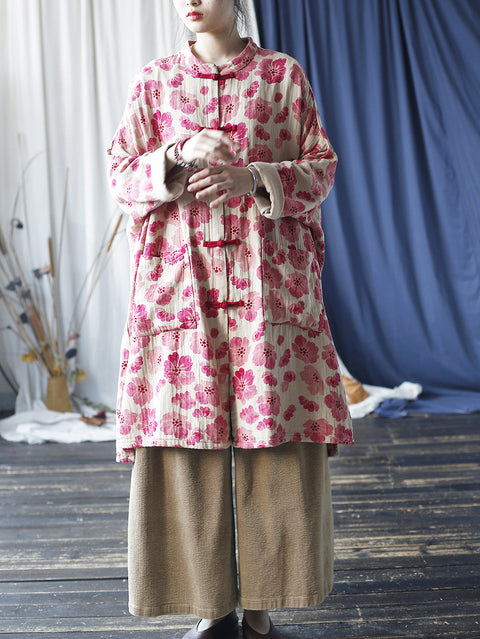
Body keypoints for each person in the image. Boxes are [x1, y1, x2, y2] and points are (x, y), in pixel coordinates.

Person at [107, 1, 354, 637]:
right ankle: (208, 606)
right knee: (184, 448)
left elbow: (321, 169)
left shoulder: (282, 76)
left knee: (272, 439)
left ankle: (266, 604)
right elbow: (121, 174)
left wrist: (255, 177)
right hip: (180, 298)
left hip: (268, 293)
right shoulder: (153, 81)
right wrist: (177, 153)